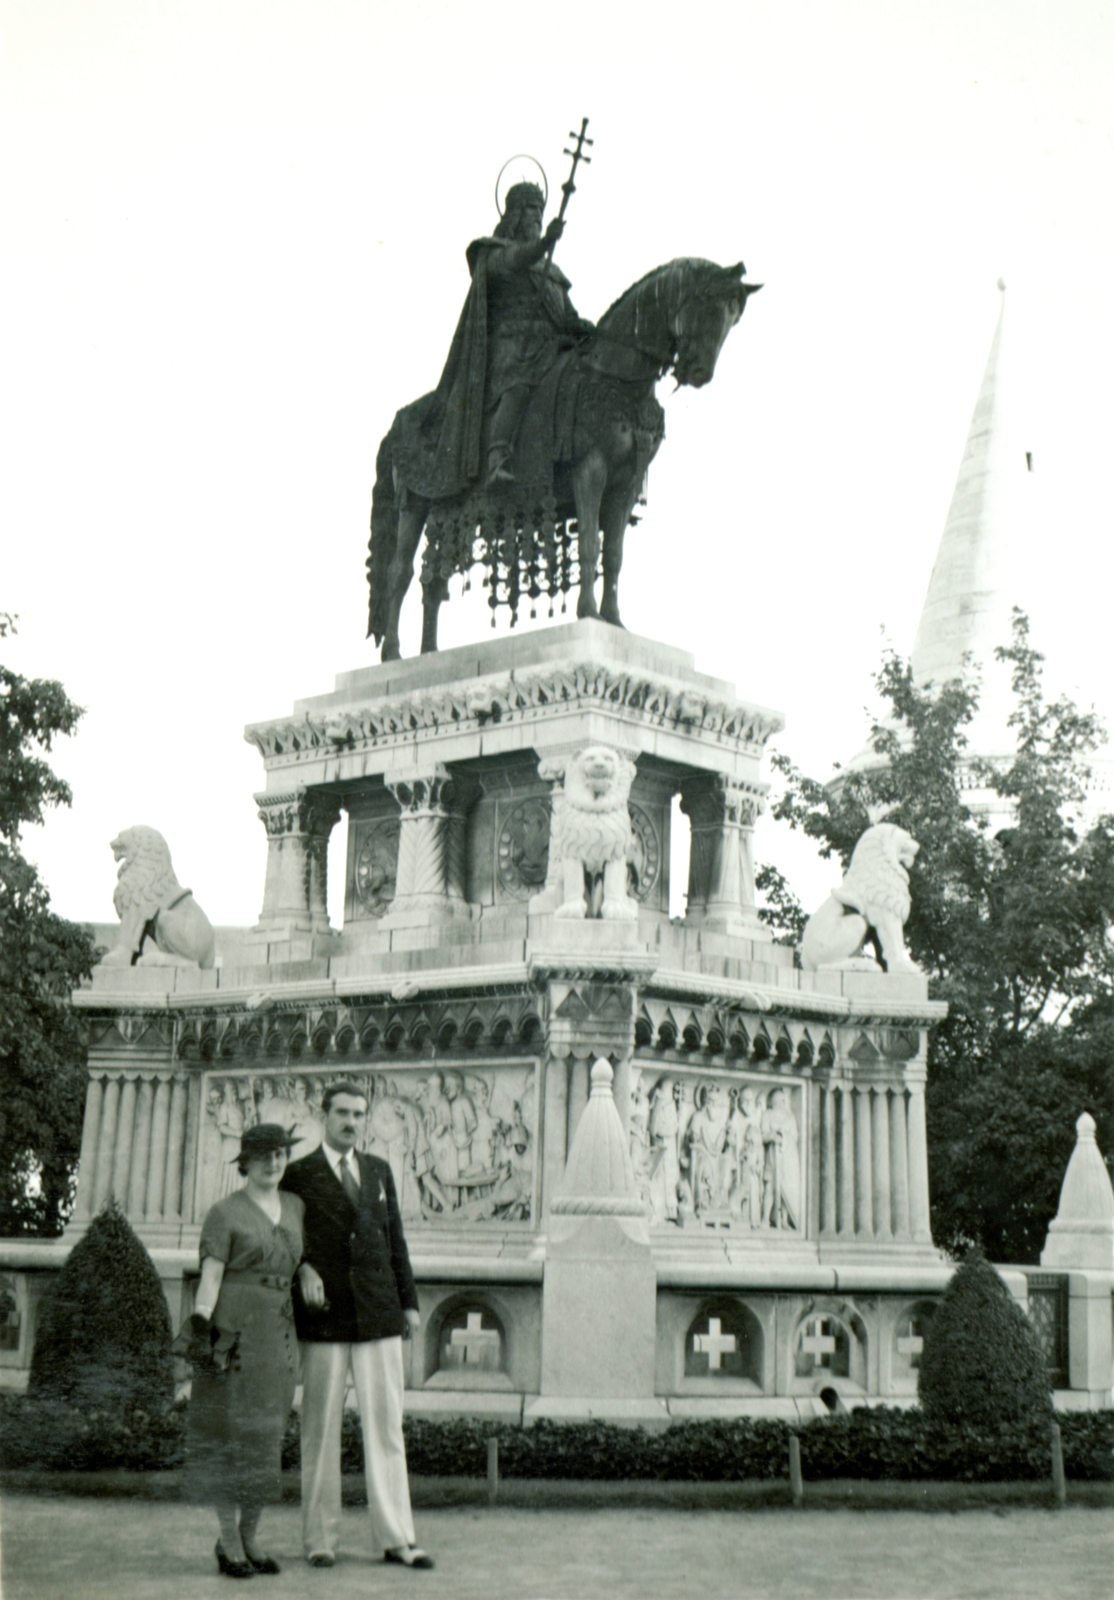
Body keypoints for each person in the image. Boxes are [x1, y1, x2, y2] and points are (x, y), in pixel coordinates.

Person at [280, 1081, 433, 1571]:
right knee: (320, 1430)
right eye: (342, 1113)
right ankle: (320, 1539)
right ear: (323, 1116)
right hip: (325, 1318)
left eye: (359, 1114)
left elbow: (396, 1242)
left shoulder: (379, 1171)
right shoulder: (298, 1175)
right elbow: (284, 1237)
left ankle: (397, 1537)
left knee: (387, 1429)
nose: (351, 1122)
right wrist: (301, 1268)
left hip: (378, 1313)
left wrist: (408, 1302)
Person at [391, 181, 594, 500]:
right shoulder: (495, 253)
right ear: (513, 214)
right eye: (530, 209)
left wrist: (584, 327)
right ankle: (497, 458)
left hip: (550, 346)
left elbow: (566, 314)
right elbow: (517, 260)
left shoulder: (551, 270)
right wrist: (544, 243)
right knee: (519, 384)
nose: (536, 216)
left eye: (540, 211)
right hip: (511, 348)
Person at [181, 1122, 304, 1580]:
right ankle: (227, 1540)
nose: (273, 1162)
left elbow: (297, 1258)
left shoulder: (295, 1206)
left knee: (266, 1439)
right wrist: (202, 1331)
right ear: (245, 1162)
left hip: (279, 1334)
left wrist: (309, 1274)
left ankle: (251, 1536)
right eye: (264, 1155)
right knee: (231, 1437)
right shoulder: (224, 1212)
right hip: (233, 1332)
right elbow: (210, 1278)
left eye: (280, 1154)